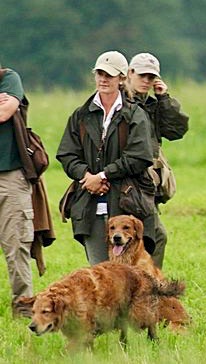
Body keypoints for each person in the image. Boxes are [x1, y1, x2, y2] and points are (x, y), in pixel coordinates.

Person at [56, 51, 155, 266]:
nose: (103, 79)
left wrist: (102, 176)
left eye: (109, 75)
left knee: (130, 277)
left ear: (121, 78)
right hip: (89, 205)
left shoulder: (135, 114)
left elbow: (140, 156)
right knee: (100, 274)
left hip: (126, 202)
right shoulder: (81, 114)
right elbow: (66, 153)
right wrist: (86, 176)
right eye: (100, 73)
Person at [126, 52, 189, 268]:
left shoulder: (153, 105)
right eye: (142, 75)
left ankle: (146, 287)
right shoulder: (120, 103)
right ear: (129, 73)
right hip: (127, 180)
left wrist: (164, 99)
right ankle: (147, 288)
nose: (146, 81)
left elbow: (176, 131)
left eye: (151, 77)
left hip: (147, 182)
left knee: (154, 237)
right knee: (154, 236)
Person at [0, 65, 34, 317]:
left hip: (9, 176)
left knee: (16, 246)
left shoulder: (9, 78)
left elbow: (5, 111)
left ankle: (23, 312)